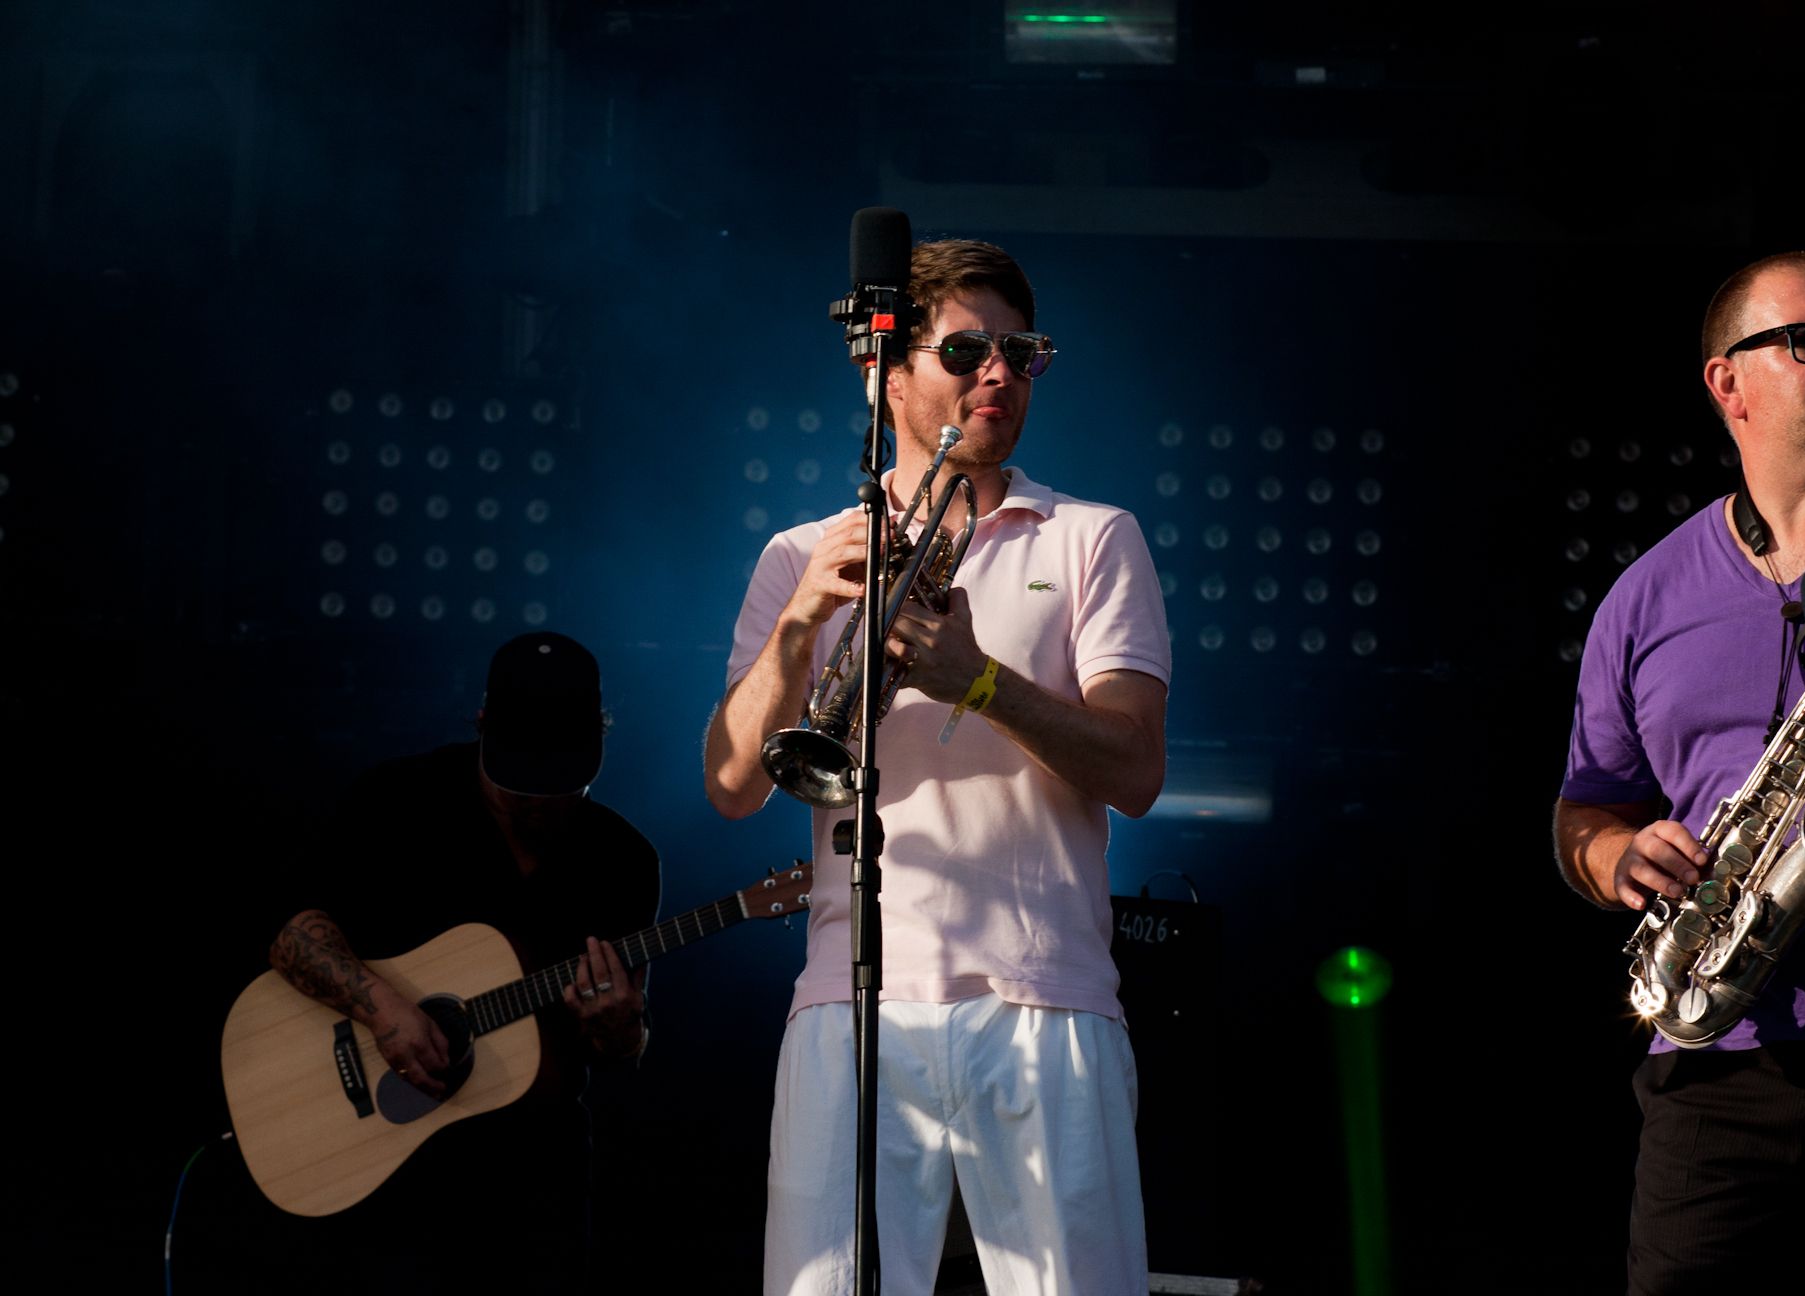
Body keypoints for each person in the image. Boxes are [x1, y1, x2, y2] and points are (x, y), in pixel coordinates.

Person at [703, 238, 1170, 1294]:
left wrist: (977, 679)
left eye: (1021, 353)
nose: (998, 375)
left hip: (1045, 997)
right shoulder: (797, 555)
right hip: (850, 999)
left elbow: (1137, 769)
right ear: (886, 371)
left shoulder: (1092, 538)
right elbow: (730, 786)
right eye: (966, 351)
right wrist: (796, 630)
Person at [1555, 251, 1805, 1293]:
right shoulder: (1644, 596)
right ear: (1728, 381)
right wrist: (1613, 856)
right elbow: (1587, 807)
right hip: (1716, 1066)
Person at [266, 630, 661, 1294]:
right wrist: (383, 1008)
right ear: (482, 725)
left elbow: (620, 1051)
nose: (538, 798)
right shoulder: (398, 799)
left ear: (600, 735)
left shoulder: (623, 860)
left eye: (558, 778)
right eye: (521, 777)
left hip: (534, 1180)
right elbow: (291, 938)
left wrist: (620, 1025)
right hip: (390, 1161)